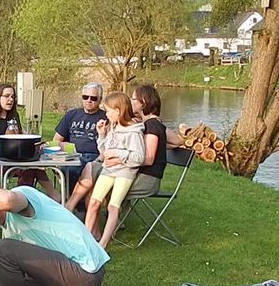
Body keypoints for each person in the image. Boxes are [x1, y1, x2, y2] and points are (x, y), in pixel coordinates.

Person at [65, 84, 183, 218]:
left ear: (143, 103)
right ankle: (74, 211)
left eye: (133, 99)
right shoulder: (142, 123)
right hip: (129, 168)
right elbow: (176, 141)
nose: (130, 101)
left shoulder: (153, 125)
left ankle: (81, 219)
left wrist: (118, 159)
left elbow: (149, 158)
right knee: (91, 167)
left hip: (142, 177)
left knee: (94, 180)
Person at [83, 92, 144, 248]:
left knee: (113, 206)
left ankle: (102, 244)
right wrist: (101, 135)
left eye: (109, 111)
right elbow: (104, 153)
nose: (106, 114)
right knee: (94, 202)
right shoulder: (113, 127)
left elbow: (138, 157)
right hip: (108, 170)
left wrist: (118, 154)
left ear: (118, 111)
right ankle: (85, 240)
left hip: (125, 173)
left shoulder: (134, 131)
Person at [0, 84, 58, 200]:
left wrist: (35, 143)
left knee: (30, 167)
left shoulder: (14, 117)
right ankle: (49, 196)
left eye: (13, 97)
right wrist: (9, 146)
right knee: (28, 166)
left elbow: (21, 136)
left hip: (15, 155)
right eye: (6, 96)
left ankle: (23, 198)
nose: (10, 99)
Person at [53, 83, 107, 185]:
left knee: (75, 170)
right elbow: (57, 139)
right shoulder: (71, 115)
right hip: (71, 156)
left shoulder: (105, 117)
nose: (89, 100)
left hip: (94, 157)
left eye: (93, 98)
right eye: (85, 97)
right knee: (65, 168)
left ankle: (72, 198)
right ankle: (70, 197)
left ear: (100, 99)